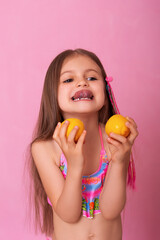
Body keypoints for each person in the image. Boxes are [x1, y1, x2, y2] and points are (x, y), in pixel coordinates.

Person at [28, 48, 138, 240]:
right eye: (68, 79)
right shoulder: (44, 147)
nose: (82, 82)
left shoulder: (115, 137)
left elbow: (111, 210)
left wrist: (120, 160)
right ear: (52, 94)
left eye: (92, 78)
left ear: (106, 90)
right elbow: (68, 214)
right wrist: (75, 165)